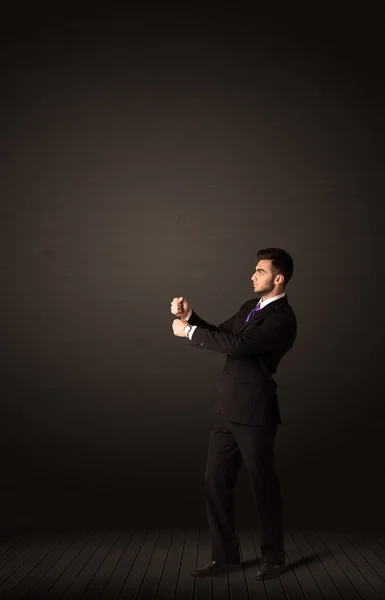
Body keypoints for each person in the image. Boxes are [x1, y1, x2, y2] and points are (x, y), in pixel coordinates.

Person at [170, 247, 297, 581]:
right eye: (255, 271)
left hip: (255, 413)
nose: (253, 276)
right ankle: (225, 558)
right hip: (227, 410)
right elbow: (224, 334)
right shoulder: (249, 307)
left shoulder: (283, 318)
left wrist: (189, 333)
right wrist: (191, 317)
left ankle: (274, 558)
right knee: (215, 480)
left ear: (278, 278)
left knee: (262, 485)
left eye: (260, 271)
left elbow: (239, 346)